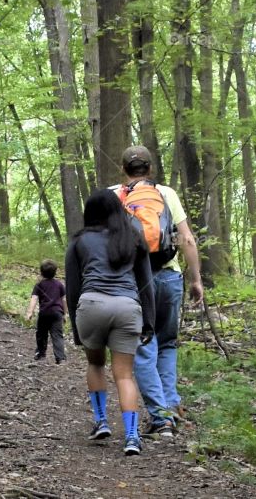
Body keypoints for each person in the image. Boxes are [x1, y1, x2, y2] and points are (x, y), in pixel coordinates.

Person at [120, 145, 204, 438]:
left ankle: (161, 418)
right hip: (169, 276)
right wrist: (196, 280)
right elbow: (187, 239)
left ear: (124, 169)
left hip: (135, 281)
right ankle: (171, 405)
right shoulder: (166, 193)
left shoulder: (116, 195)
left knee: (144, 344)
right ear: (150, 168)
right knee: (167, 343)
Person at [65, 189, 155, 456]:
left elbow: (72, 288)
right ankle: (131, 436)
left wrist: (75, 326)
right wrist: (148, 322)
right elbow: (146, 284)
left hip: (92, 305)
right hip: (128, 307)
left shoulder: (79, 241)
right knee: (125, 375)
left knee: (95, 363)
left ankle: (101, 421)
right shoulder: (133, 239)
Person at [25, 259, 67, 363]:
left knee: (41, 334)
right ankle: (60, 357)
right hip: (57, 313)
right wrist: (65, 313)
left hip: (44, 313)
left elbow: (34, 299)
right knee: (57, 335)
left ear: (41, 272)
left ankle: (40, 353)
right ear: (55, 272)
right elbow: (64, 300)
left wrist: (30, 312)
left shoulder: (39, 285)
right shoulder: (59, 285)